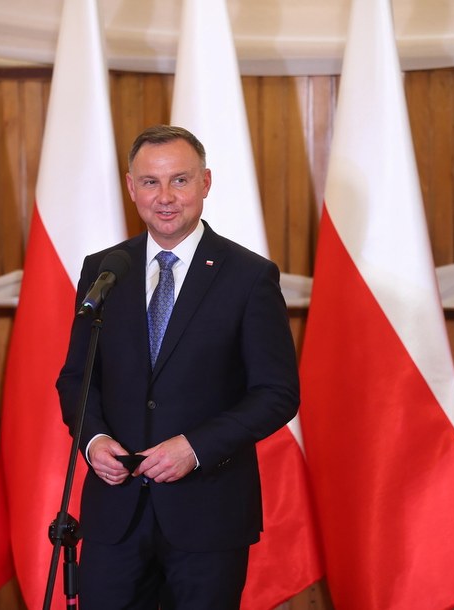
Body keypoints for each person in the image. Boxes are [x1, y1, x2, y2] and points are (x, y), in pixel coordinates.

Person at [56, 124, 300, 609]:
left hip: (207, 516)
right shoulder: (104, 270)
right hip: (114, 516)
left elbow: (277, 393)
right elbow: (77, 378)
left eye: (180, 181)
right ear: (131, 187)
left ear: (205, 183)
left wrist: (195, 447)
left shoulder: (249, 277)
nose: (165, 197)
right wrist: (94, 440)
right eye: (150, 182)